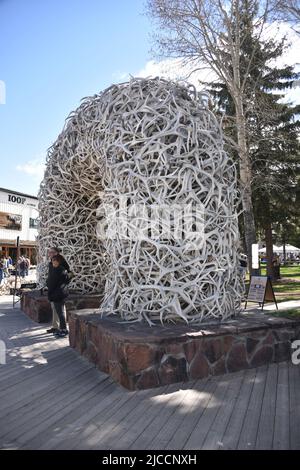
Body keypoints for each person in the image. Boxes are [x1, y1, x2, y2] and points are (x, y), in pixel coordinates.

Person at [46, 247, 70, 334]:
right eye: (49, 252)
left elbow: (68, 274)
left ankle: (63, 328)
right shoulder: (51, 263)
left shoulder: (61, 263)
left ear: (56, 253)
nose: (50, 254)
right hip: (53, 290)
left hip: (59, 291)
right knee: (54, 309)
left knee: (60, 310)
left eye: (52, 252)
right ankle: (55, 326)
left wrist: (63, 285)